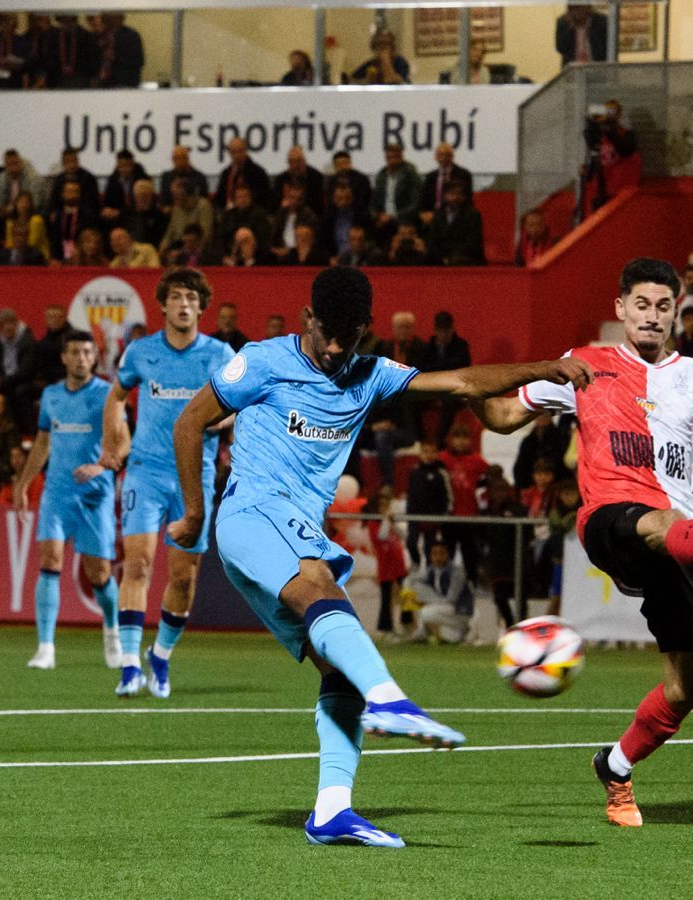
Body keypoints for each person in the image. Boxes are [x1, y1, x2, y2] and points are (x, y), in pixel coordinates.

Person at [168, 265, 592, 847]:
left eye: (352, 335)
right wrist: (195, 511)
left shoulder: (371, 374)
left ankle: (332, 811)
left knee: (337, 666)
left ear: (368, 328)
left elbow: (464, 384)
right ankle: (390, 698)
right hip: (251, 514)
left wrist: (547, 368)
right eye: (327, 333)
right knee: (320, 587)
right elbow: (190, 421)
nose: (338, 347)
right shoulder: (262, 361)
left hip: (289, 530)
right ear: (306, 320)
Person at [470, 257, 693, 828]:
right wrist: (467, 387)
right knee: (653, 521)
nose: (652, 316)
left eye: (664, 306)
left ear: (678, 312)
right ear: (621, 309)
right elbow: (501, 415)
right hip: (611, 520)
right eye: (641, 304)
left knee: (687, 690)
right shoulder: (583, 366)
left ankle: (615, 767)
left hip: (682, 538)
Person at [95, 268, 236, 700]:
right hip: (145, 470)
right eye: (176, 296)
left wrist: (212, 422)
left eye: (191, 297)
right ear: (163, 304)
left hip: (195, 473)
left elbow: (240, 407)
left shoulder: (220, 354)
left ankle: (161, 655)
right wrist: (112, 437)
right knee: (136, 563)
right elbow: (116, 396)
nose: (183, 303)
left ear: (201, 306)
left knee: (182, 574)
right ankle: (130, 664)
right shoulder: (140, 352)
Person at [11, 331, 121, 670]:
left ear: (95, 356)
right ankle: (46, 647)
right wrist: (23, 483)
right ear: (63, 357)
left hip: (94, 494)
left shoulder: (107, 394)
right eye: (74, 352)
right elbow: (43, 442)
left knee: (99, 573)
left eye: (87, 352)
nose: (81, 358)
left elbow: (120, 443)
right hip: (57, 492)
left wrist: (101, 467)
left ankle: (113, 634)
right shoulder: (51, 395)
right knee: (50, 560)